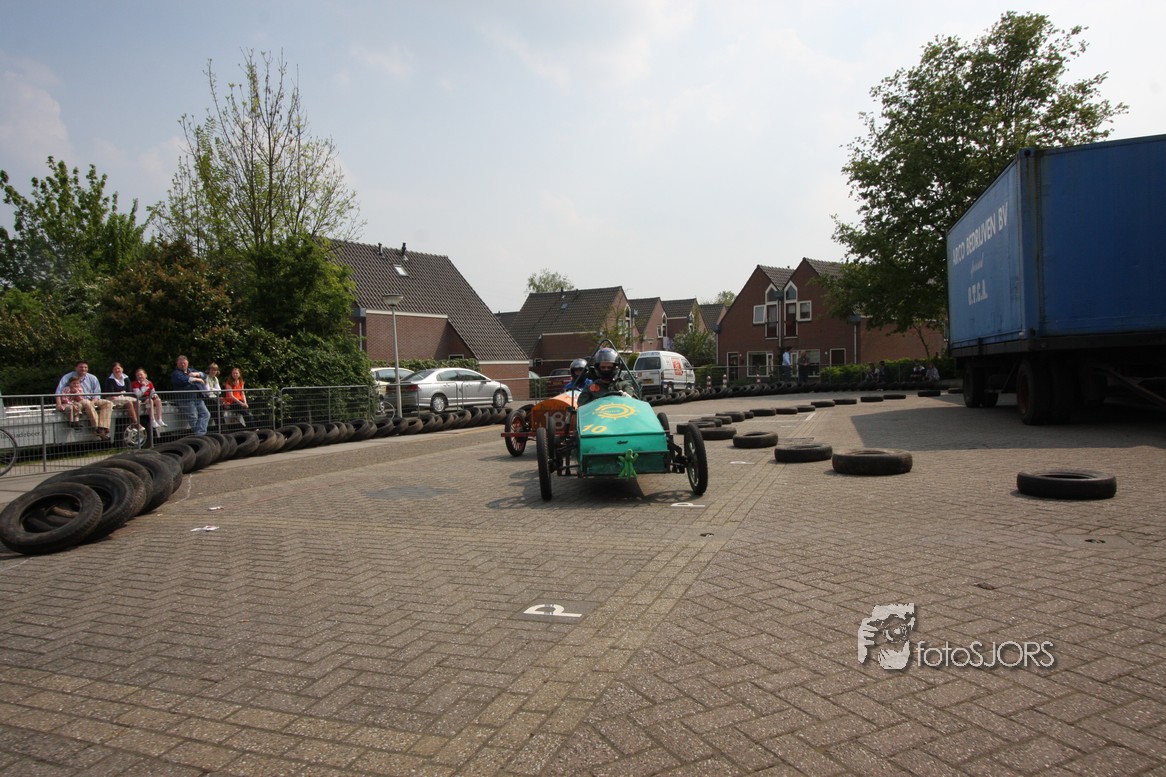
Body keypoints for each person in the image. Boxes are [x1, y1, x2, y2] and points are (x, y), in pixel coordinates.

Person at [55, 361, 113, 440]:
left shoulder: (92, 378)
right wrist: (59, 404)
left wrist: (93, 402)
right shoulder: (67, 377)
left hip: (92, 399)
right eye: (81, 367)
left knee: (108, 403)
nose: (83, 369)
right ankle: (97, 429)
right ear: (75, 368)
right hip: (77, 400)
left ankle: (103, 427)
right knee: (87, 402)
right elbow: (58, 392)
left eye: (85, 367)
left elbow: (97, 393)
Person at [171, 355, 210, 435]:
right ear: (177, 363)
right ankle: (200, 435)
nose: (183, 365)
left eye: (184, 363)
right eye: (180, 363)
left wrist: (197, 374)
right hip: (185, 399)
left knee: (206, 414)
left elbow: (205, 375)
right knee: (193, 418)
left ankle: (200, 434)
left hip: (197, 398)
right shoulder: (176, 373)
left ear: (187, 363)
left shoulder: (191, 371)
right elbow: (183, 380)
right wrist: (196, 379)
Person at [105, 362, 142, 430]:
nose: (117, 370)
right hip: (113, 398)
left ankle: (134, 422)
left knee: (137, 401)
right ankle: (136, 423)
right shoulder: (109, 380)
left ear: (122, 369)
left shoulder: (126, 378)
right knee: (129, 402)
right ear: (112, 370)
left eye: (118, 368)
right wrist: (122, 393)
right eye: (115, 369)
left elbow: (129, 391)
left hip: (124, 397)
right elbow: (111, 393)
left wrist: (121, 393)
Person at [204, 363, 224, 427]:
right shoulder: (206, 377)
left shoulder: (215, 378)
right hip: (207, 398)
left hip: (214, 398)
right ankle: (221, 427)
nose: (213, 372)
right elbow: (208, 392)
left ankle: (221, 427)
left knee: (220, 409)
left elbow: (219, 391)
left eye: (215, 370)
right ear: (209, 370)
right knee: (216, 409)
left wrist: (212, 389)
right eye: (212, 370)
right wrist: (214, 390)